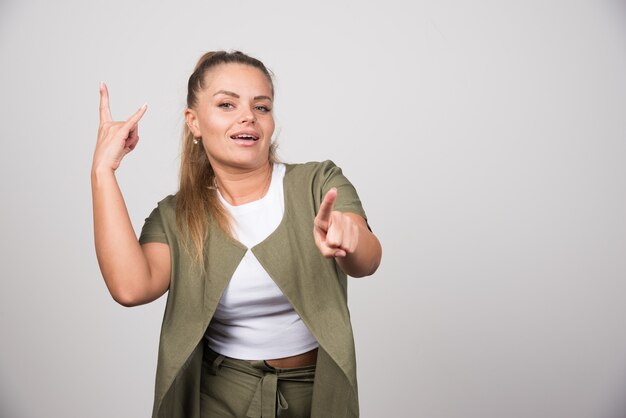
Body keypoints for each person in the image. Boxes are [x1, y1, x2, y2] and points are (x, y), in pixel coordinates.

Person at [91, 50, 382, 418]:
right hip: (218, 394)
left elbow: (368, 260)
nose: (248, 115)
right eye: (227, 104)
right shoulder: (176, 216)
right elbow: (131, 288)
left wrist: (351, 242)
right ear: (194, 122)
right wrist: (103, 171)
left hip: (314, 390)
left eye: (262, 107)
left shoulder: (318, 182)